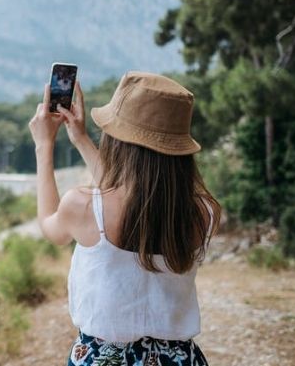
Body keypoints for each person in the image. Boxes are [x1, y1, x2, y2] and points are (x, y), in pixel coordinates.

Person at [28, 71, 221, 366]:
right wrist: (79, 139)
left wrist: (44, 146)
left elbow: (51, 227)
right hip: (180, 359)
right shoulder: (205, 212)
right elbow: (136, 195)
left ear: (118, 140)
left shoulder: (83, 206)